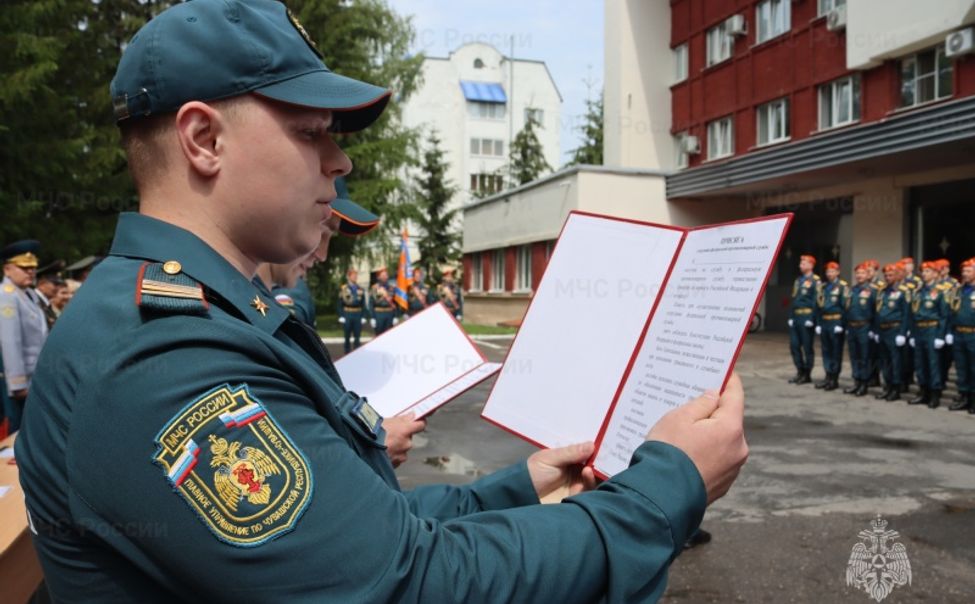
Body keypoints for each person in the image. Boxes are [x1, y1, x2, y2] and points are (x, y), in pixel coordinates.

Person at [16, 2, 749, 600]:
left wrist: (515, 488)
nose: (341, 161)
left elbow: (357, 529)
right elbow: (402, 585)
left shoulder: (205, 314)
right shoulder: (159, 357)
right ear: (203, 138)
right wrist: (664, 489)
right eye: (309, 132)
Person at [0, 240, 49, 432]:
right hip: (19, 382)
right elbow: (10, 341)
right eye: (24, 267)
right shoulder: (7, 296)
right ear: (8, 269)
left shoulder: (29, 294)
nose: (31, 271)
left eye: (33, 267)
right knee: (18, 431)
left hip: (35, 376)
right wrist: (18, 383)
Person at [907, 261, 949, 408]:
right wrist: (911, 333)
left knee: (933, 362)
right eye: (923, 272)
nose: (924, 274)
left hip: (932, 329)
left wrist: (941, 335)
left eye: (928, 271)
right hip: (919, 330)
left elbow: (944, 315)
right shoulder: (918, 291)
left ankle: (935, 393)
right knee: (920, 363)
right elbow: (912, 314)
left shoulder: (940, 291)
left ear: (936, 274)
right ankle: (923, 391)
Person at [874, 263, 911, 402]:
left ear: (896, 276)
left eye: (891, 275)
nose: (888, 278)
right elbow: (878, 312)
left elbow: (906, 314)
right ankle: (888, 386)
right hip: (882, 330)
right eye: (886, 275)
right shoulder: (882, 291)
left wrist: (903, 333)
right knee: (885, 361)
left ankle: (896, 388)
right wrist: (877, 331)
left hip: (895, 329)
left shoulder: (903, 291)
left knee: (895, 361)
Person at [814, 261, 849, 391]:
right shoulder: (823, 287)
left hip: (835, 322)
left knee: (835, 352)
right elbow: (818, 306)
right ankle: (827, 376)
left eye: (832, 271)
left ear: (838, 272)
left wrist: (841, 324)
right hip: (824, 322)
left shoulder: (842, 287)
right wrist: (818, 323)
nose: (829, 274)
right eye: (828, 271)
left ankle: (834, 378)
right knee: (826, 351)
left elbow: (845, 307)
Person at [844, 263, 877, 397]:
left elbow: (876, 312)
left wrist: (873, 330)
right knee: (854, 356)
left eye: (862, 273)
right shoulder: (851, 290)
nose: (859, 276)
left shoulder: (872, 291)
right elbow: (847, 309)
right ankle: (856, 381)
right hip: (852, 327)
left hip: (865, 327)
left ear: (867, 275)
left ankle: (864, 384)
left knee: (864, 356)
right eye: (857, 273)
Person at [948, 257, 975, 412]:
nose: (964, 273)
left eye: (968, 271)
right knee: (961, 367)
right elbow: (951, 311)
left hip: (973, 334)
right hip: (958, 333)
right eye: (963, 271)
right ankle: (964, 396)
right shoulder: (958, 290)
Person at [788, 255, 819, 384]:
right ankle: (799, 371)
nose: (800, 265)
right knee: (794, 346)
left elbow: (816, 301)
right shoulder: (798, 280)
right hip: (796, 317)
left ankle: (807, 374)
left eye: (803, 263)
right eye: (801, 263)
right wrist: (791, 316)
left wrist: (812, 318)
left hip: (807, 317)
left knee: (807, 347)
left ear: (811, 265)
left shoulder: (815, 281)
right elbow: (794, 299)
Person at [338, 268, 367, 353]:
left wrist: (363, 316)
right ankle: (347, 353)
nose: (355, 277)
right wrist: (341, 315)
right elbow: (339, 303)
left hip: (357, 314)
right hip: (347, 314)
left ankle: (356, 355)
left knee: (357, 337)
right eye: (353, 275)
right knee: (347, 336)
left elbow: (363, 304)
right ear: (349, 276)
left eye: (356, 275)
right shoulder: (344, 288)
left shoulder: (360, 289)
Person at [369, 266, 397, 333]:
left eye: (386, 275)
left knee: (390, 335)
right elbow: (371, 303)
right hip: (379, 314)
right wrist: (372, 317)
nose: (385, 277)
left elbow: (395, 303)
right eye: (383, 275)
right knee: (379, 335)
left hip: (389, 314)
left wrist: (395, 316)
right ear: (378, 277)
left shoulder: (392, 288)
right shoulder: (374, 288)